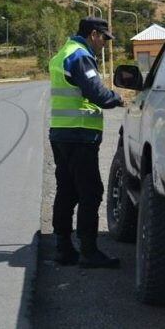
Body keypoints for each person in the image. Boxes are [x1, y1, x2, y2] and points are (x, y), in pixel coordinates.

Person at [49, 17, 124, 269]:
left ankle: (63, 248)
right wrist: (119, 99)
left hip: (61, 133)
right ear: (93, 34)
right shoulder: (80, 56)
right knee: (90, 192)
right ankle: (89, 252)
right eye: (104, 38)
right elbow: (98, 94)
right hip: (80, 135)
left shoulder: (64, 52)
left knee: (67, 190)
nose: (104, 44)